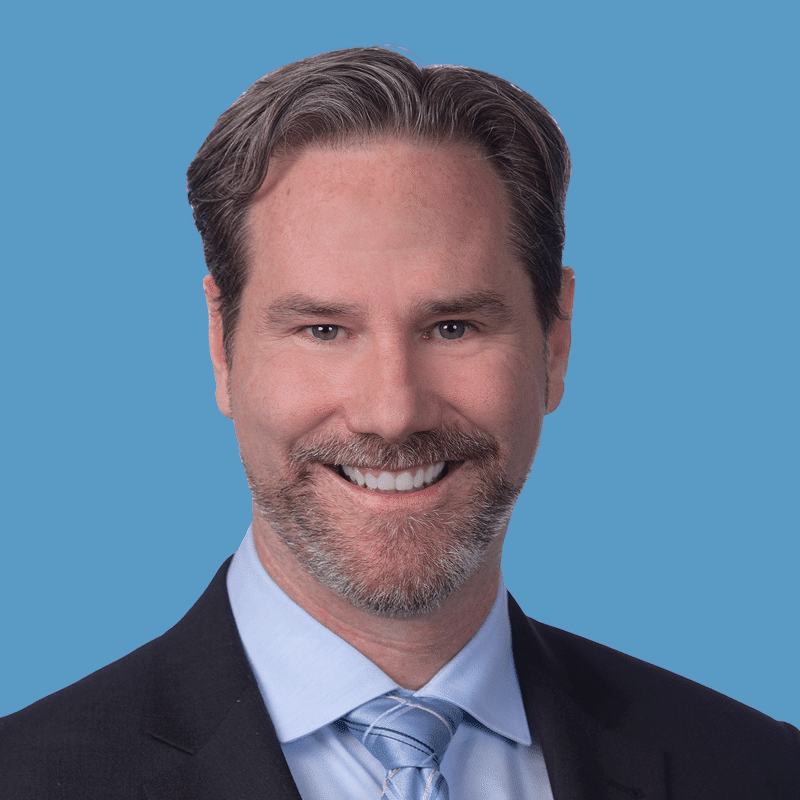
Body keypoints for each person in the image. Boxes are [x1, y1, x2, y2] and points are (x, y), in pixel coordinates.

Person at [1, 47, 797, 799]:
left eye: (453, 327)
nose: (393, 412)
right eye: (323, 330)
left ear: (554, 345)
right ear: (222, 346)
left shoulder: (757, 772)